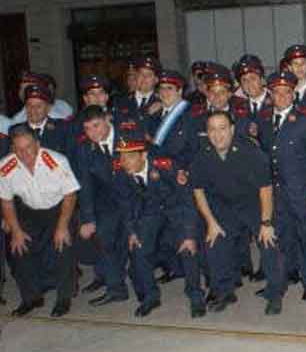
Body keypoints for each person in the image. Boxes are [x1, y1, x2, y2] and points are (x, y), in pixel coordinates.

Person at [190, 111, 274, 313]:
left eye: (222, 128)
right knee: (215, 242)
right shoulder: (203, 154)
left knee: (269, 242)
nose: (217, 135)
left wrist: (266, 223)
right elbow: (198, 190)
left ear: (232, 129)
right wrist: (211, 222)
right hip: (224, 206)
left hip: (254, 203)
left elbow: (266, 188)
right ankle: (225, 291)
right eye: (212, 129)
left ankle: (275, 292)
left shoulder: (250, 151)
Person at [114, 130, 204, 318]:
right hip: (150, 212)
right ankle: (150, 296)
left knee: (188, 249)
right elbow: (125, 204)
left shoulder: (166, 165)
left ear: (144, 155)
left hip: (176, 209)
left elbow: (187, 200)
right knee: (139, 250)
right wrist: (132, 231)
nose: (124, 163)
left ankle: (195, 296)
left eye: (129, 157)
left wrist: (188, 235)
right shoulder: (121, 172)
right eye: (121, 158)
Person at [0, 125, 80, 317]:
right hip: (30, 211)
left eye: (28, 147)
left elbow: (70, 195)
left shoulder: (56, 161)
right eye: (18, 149)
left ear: (37, 144)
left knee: (63, 246)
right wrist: (16, 230)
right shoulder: (5, 167)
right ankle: (32, 298)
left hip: (59, 209)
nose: (24, 153)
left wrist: (62, 226)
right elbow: (6, 201)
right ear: (12, 148)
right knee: (18, 248)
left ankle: (64, 297)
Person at [257, 71, 306, 300]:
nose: (281, 97)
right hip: (274, 192)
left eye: (286, 92)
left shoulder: (304, 121)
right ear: (270, 94)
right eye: (277, 92)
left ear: (293, 94)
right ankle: (283, 277)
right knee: (281, 236)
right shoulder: (263, 121)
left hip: (300, 191)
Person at [74, 105, 131, 306]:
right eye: (87, 129)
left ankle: (125, 275)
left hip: (136, 198)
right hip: (108, 202)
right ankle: (116, 289)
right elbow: (86, 185)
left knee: (134, 244)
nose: (93, 133)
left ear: (107, 120)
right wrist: (89, 219)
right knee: (104, 237)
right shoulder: (84, 148)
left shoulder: (129, 137)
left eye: (96, 126)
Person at [12, 84, 70, 155]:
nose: (33, 110)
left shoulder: (63, 128)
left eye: (39, 106)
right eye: (29, 105)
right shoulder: (15, 130)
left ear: (48, 108)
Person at [233, 54, 272, 119]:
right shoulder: (237, 107)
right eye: (244, 80)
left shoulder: (275, 102)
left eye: (253, 78)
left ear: (262, 80)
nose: (249, 83)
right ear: (241, 86)